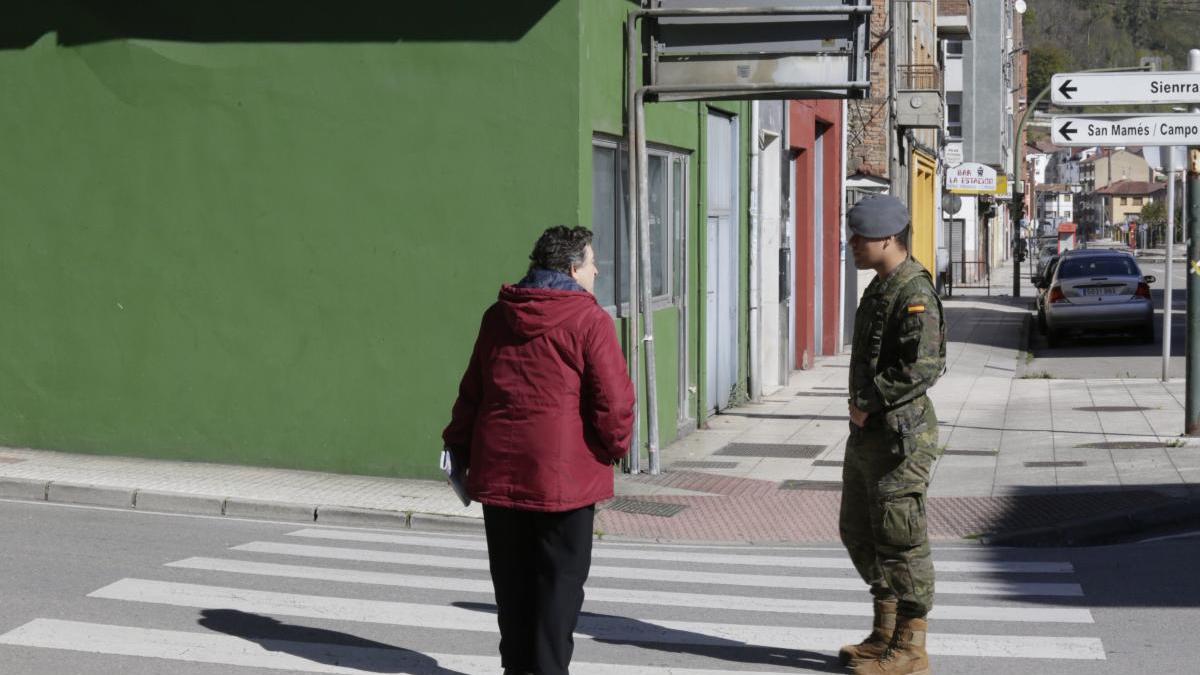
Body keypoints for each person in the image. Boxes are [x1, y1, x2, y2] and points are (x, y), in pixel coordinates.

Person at [443, 225, 635, 675]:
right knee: (558, 596)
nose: (596, 270)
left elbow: (473, 391)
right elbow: (615, 402)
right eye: (591, 263)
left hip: (502, 482)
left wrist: (458, 446)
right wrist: (615, 448)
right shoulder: (590, 321)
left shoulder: (498, 316)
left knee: (513, 595)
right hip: (562, 486)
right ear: (572, 268)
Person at [837, 195, 946, 675]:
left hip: (902, 439)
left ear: (887, 239)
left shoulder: (913, 289)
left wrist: (868, 402)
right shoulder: (880, 286)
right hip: (869, 436)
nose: (853, 244)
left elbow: (923, 365)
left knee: (901, 539)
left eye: (859, 237)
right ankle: (884, 630)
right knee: (860, 531)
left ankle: (910, 648)